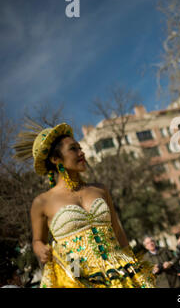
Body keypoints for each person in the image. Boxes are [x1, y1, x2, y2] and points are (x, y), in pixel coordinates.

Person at [12, 121, 155, 288]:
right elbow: (37, 240)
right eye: (74, 149)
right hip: (78, 278)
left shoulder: (100, 190)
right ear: (55, 159)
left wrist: (134, 267)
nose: (82, 153)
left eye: (80, 147)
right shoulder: (42, 202)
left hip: (121, 273)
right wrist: (39, 248)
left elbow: (117, 230)